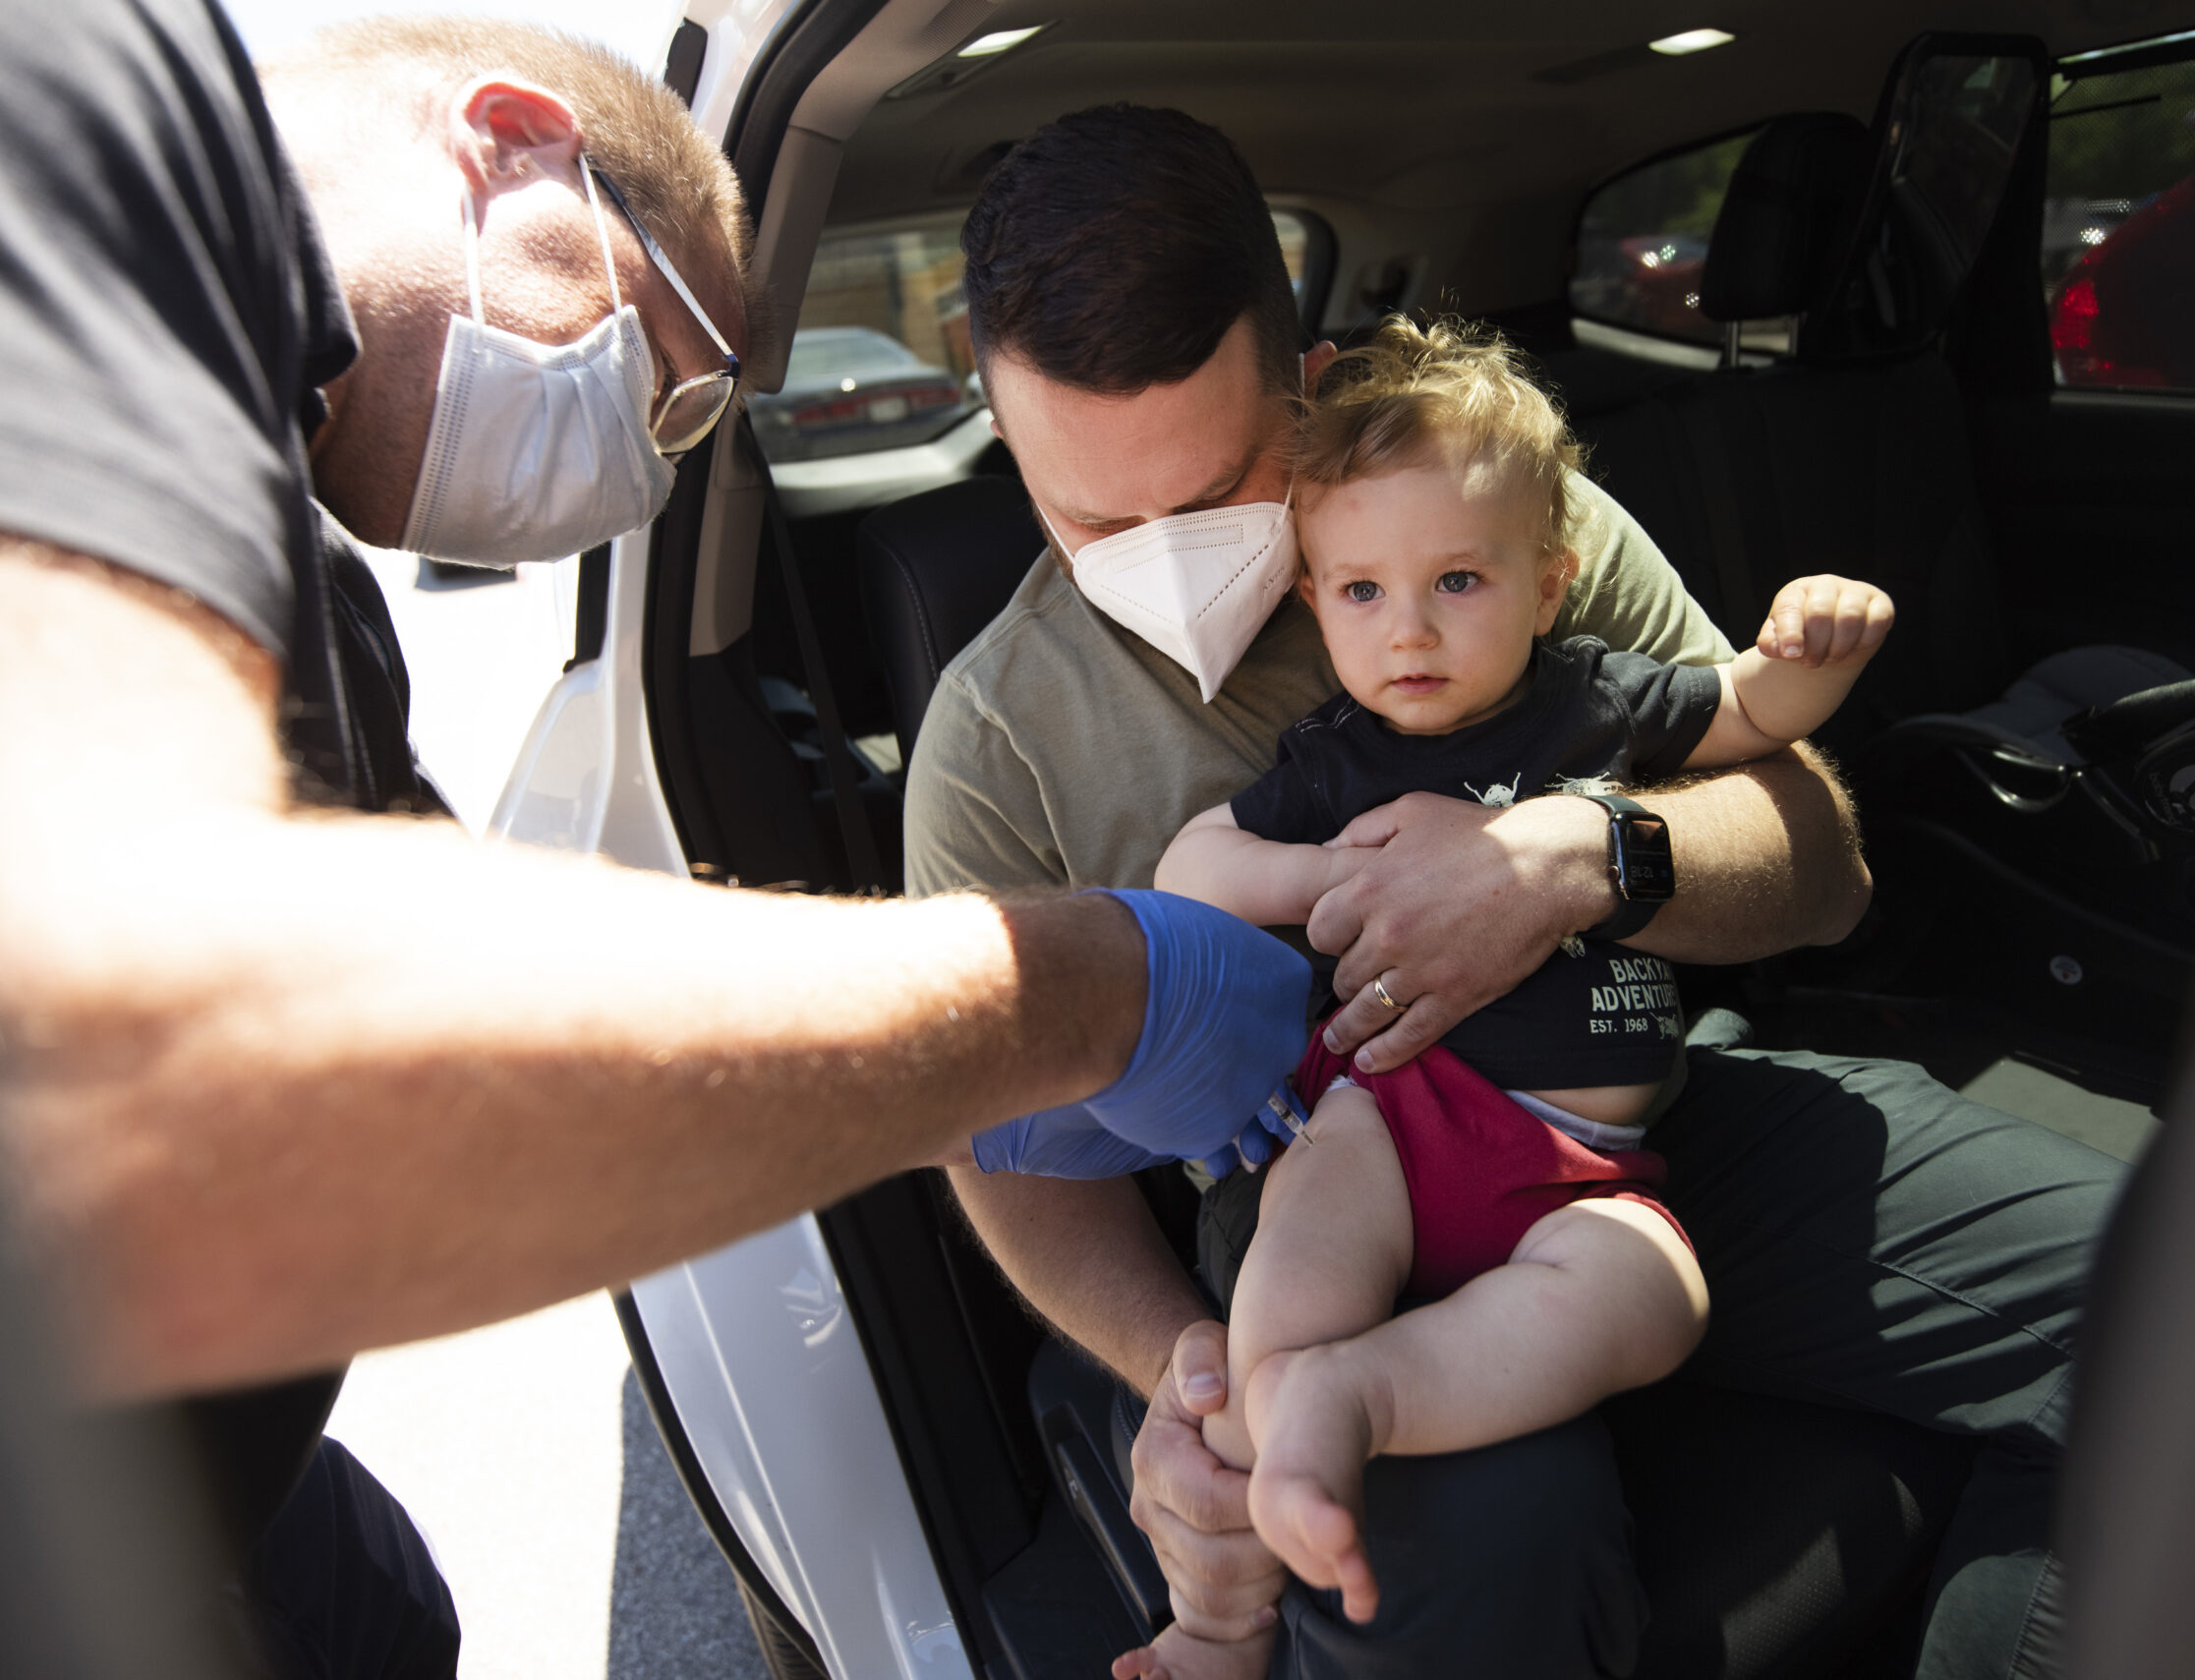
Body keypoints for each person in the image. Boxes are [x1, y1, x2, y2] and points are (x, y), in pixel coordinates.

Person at [0, 8, 1307, 1677]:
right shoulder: (83, 92)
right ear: (512, 142)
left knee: (380, 1602)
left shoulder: (302, 592)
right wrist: (1082, 985)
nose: (640, 467)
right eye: (668, 379)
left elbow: (446, 1068)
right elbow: (193, 1058)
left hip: (177, 1507)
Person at [912, 102, 2128, 1679]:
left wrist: (1586, 861)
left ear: (1317, 389)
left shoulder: (1480, 518)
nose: (1159, 557)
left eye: (1216, 493)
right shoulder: (996, 742)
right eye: (1087, 515)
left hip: (1625, 1113)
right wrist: (1185, 1372)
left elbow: (1821, 859)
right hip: (1324, 1188)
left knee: (2175, 1286)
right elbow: (1003, 1143)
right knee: (1449, 1582)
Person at [1104, 317, 1896, 1680]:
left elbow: (1758, 716)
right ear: (1314, 598)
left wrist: (1821, 639)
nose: (1405, 628)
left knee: (1659, 1296)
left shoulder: (1599, 704)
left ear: (1548, 581)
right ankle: (1218, 1618)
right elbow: (1193, 862)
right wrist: (1312, 869)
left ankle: (1364, 1395)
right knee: (1282, 1288)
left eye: (1457, 579)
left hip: (1588, 1167)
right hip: (1387, 1121)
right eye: (1358, 592)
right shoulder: (1333, 760)